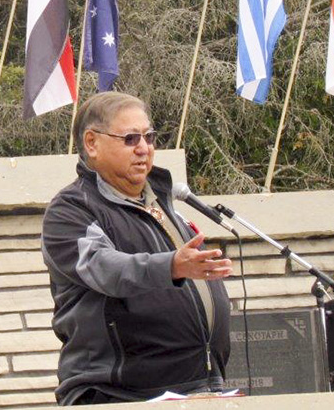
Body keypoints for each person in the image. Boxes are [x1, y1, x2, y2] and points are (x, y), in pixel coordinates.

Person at [42, 92, 233, 405]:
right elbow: (106, 268)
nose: (144, 148)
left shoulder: (163, 202)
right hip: (116, 395)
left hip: (195, 388)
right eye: (130, 138)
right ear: (92, 143)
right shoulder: (71, 211)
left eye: (149, 136)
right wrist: (171, 266)